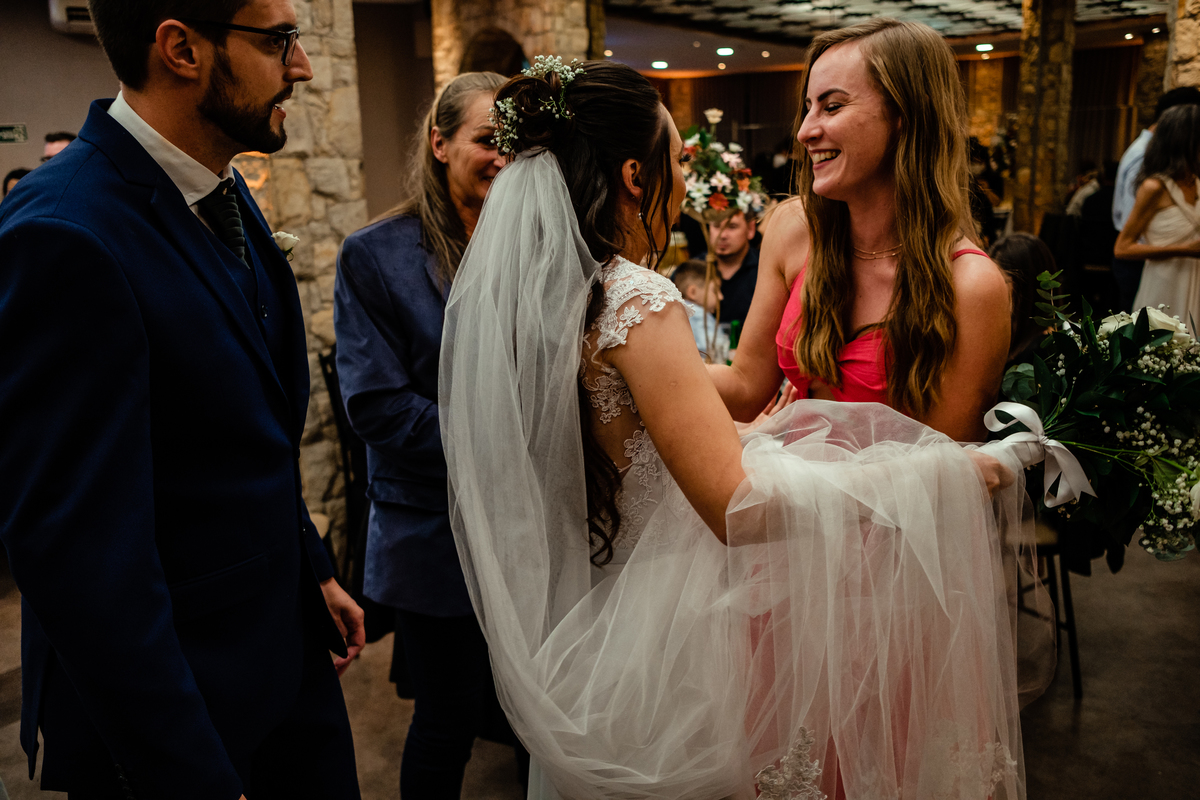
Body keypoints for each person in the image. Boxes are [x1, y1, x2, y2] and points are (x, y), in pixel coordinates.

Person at [440, 54, 1033, 800]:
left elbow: (641, 447)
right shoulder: (636, 297)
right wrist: (945, 471)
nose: (686, 182)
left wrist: (751, 438)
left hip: (605, 616)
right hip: (679, 625)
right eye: (677, 160)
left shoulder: (557, 296)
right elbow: (734, 508)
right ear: (634, 176)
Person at [0, 1, 364, 796]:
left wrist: (312, 572)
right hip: (189, 713)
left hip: (279, 660)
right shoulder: (66, 233)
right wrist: (191, 775)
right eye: (278, 41)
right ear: (181, 49)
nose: (300, 66)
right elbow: (82, 558)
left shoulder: (217, 190)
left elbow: (237, 427)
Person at [333, 71, 528, 798]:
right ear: (440, 143)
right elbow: (378, 408)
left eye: (515, 143)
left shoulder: (536, 246)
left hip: (533, 534)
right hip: (431, 533)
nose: (504, 157)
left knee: (539, 711)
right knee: (446, 719)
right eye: (487, 139)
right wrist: (517, 441)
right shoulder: (376, 255)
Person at [708, 19, 1010, 446]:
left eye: (832, 107)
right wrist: (649, 355)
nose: (804, 131)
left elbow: (948, 475)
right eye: (808, 107)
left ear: (904, 115)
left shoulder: (971, 286)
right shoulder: (793, 229)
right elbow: (744, 388)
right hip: (787, 501)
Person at [1112, 86, 1200, 312]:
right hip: (1152, 272)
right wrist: (1185, 249)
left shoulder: (1194, 181)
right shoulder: (1150, 177)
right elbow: (1128, 240)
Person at [989, 233, 1055, 365]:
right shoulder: (1009, 334)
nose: (991, 288)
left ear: (1026, 287)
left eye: (1002, 280)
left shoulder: (1042, 351)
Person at [707, 210, 759, 326]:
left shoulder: (765, 269)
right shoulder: (692, 270)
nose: (723, 235)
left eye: (732, 227)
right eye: (716, 226)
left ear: (750, 229)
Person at [671, 257, 728, 361]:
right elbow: (714, 350)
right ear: (692, 292)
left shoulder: (676, 312)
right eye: (715, 291)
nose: (721, 297)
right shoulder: (699, 315)